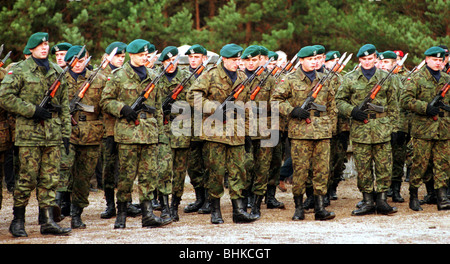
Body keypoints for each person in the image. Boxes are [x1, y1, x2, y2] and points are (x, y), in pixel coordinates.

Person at [0, 32, 72, 237]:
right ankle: (18, 220)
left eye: (47, 44)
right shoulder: (20, 70)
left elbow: (65, 106)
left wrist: (66, 133)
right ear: (31, 49)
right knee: (26, 179)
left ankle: (48, 221)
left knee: (50, 179)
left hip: (53, 134)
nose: (44, 48)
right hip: (29, 135)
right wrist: (32, 110)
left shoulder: (57, 71)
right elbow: (5, 97)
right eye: (40, 45)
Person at [100, 39, 172, 228]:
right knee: (126, 176)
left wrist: (159, 133)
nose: (144, 58)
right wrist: (122, 108)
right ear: (131, 56)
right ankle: (121, 213)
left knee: (149, 175)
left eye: (146, 55)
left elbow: (158, 108)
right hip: (127, 134)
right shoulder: (118, 76)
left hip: (149, 133)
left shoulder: (153, 75)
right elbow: (105, 101)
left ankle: (147, 214)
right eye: (141, 55)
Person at [186, 43, 258, 224]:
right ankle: (215, 210)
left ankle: (238, 211)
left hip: (237, 132)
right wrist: (214, 108)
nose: (237, 63)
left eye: (238, 60)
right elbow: (192, 95)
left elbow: (247, 106)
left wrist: (248, 132)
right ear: (224, 59)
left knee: (238, 172)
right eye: (234, 60)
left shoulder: (242, 77)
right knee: (215, 172)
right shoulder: (210, 75)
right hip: (215, 132)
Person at [272, 45, 337, 221]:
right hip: (300, 132)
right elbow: (275, 100)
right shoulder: (290, 79)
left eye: (317, 59)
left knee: (322, 171)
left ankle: (320, 208)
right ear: (301, 60)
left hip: (322, 131)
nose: (314, 62)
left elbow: (332, 105)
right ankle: (299, 207)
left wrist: (331, 127)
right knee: (300, 171)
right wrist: (292, 110)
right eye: (310, 59)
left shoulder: (325, 78)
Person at [336, 44, 399, 216]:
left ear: (376, 58)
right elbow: (339, 101)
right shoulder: (350, 78)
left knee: (384, 166)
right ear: (359, 60)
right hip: (360, 129)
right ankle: (368, 201)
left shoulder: (386, 77)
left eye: (370, 58)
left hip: (382, 128)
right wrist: (352, 111)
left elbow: (393, 104)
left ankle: (382, 200)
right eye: (363, 59)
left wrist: (394, 129)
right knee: (363, 167)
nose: (367, 62)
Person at [400, 46, 450, 211]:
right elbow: (405, 100)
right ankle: (413, 195)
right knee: (419, 164)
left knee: (442, 164)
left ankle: (442, 198)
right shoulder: (416, 78)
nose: (437, 63)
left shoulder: (446, 79)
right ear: (427, 60)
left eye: (440, 60)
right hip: (423, 130)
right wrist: (425, 107)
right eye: (434, 60)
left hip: (443, 129)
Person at [62, 45, 107, 229]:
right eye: (74, 61)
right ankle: (56, 206)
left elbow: (106, 104)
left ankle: (76, 213)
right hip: (67, 133)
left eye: (82, 61)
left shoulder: (99, 79)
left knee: (83, 177)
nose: (78, 65)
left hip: (91, 134)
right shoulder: (59, 79)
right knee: (63, 170)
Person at [158, 45, 193, 221]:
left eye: (173, 61)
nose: (170, 65)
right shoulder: (155, 77)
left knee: (179, 172)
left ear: (178, 61)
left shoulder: (187, 78)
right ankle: (164, 205)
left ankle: (174, 206)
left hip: (181, 128)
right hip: (162, 130)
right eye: (166, 62)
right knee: (163, 170)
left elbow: (195, 101)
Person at [99, 41, 127, 219]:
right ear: (108, 56)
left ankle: (126, 203)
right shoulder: (100, 75)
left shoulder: (127, 75)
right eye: (117, 56)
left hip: (126, 128)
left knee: (126, 168)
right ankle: (110, 204)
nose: (120, 60)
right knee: (108, 168)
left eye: (123, 57)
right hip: (108, 129)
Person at [184, 44, 211, 214]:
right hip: (188, 126)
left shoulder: (210, 75)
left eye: (197, 57)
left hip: (207, 126)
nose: (193, 60)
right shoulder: (183, 76)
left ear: (204, 58)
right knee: (193, 166)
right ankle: (199, 198)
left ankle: (209, 199)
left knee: (208, 164)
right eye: (191, 57)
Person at [378, 50, 407, 203]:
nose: (383, 65)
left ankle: (395, 189)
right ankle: (380, 192)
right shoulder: (374, 79)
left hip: (397, 125)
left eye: (387, 62)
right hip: (379, 127)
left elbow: (401, 106)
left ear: (395, 64)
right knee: (381, 161)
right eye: (381, 62)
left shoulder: (397, 80)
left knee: (397, 159)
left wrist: (400, 128)